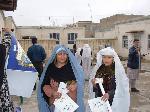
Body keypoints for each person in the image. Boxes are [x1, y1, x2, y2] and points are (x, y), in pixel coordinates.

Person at [38, 45, 84, 112]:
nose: (62, 56)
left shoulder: (72, 67)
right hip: (55, 102)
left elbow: (79, 80)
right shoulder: (50, 68)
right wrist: (52, 92)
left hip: (70, 102)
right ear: (55, 55)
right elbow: (45, 85)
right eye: (60, 54)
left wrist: (75, 85)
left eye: (64, 54)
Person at [89, 47, 130, 112]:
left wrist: (109, 94)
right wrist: (94, 85)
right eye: (104, 57)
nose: (106, 59)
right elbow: (97, 87)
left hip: (113, 101)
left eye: (109, 57)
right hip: (100, 101)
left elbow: (121, 88)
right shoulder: (99, 69)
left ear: (113, 58)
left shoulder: (117, 71)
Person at [0, 33, 14, 111]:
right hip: (2, 81)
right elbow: (7, 42)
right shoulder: (2, 48)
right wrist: (8, 33)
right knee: (4, 102)